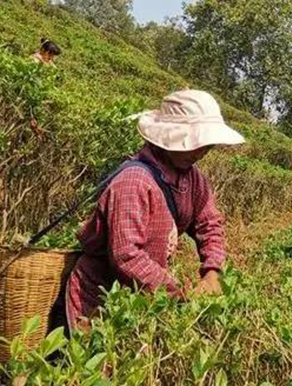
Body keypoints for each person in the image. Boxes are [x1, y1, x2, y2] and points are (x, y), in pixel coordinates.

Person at [53, 89, 246, 334]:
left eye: (206, 145)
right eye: (195, 143)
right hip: (99, 298)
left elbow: (210, 224)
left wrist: (213, 270)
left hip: (143, 296)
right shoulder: (133, 182)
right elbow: (126, 255)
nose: (202, 151)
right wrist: (177, 291)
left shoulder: (193, 179)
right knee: (89, 366)